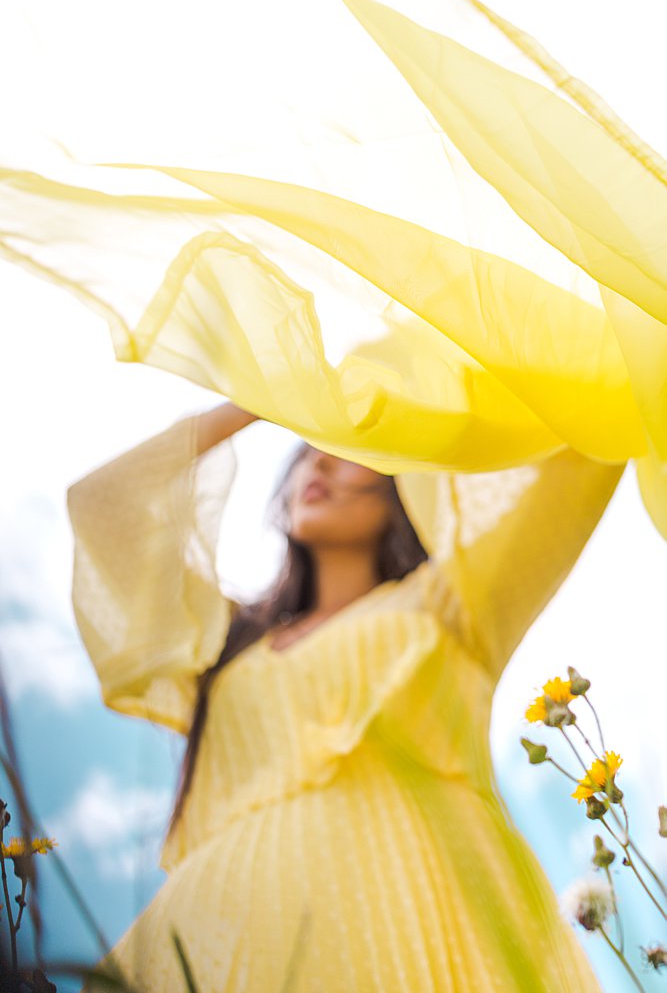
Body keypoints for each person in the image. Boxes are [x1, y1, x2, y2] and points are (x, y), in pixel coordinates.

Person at [67, 398, 625, 992]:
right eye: (307, 455)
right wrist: (264, 395)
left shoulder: (452, 604)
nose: (319, 467)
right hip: (217, 924)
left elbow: (583, 440)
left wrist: (421, 408)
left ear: (400, 482)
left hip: (421, 909)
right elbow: (105, 506)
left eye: (343, 453)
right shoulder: (223, 643)